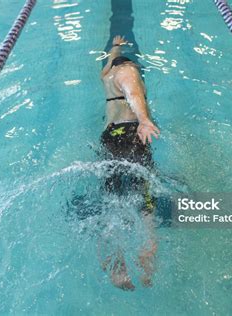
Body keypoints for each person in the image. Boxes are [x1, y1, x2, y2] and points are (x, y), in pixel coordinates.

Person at [99, 35, 160, 290]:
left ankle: (115, 261)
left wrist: (115, 48)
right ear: (131, 66)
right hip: (129, 134)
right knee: (145, 194)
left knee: (111, 195)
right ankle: (147, 249)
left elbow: (108, 65)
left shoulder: (107, 76)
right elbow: (133, 92)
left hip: (110, 137)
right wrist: (144, 120)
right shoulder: (127, 71)